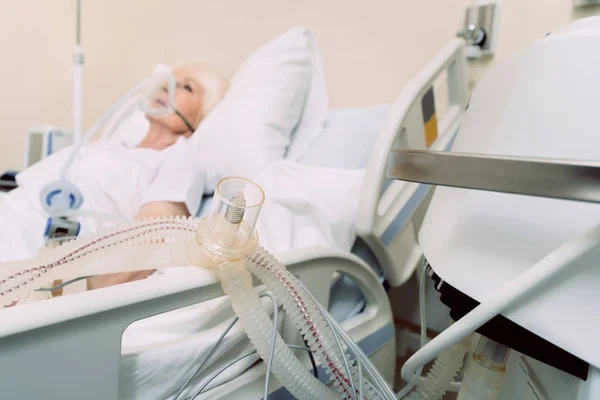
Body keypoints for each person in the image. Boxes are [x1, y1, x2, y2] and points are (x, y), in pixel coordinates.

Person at [0, 63, 229, 296]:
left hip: (23, 256)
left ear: (204, 113)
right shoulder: (111, 146)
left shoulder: (179, 159)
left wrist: (61, 292)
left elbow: (145, 247)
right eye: (165, 84)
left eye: (186, 87)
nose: (167, 90)